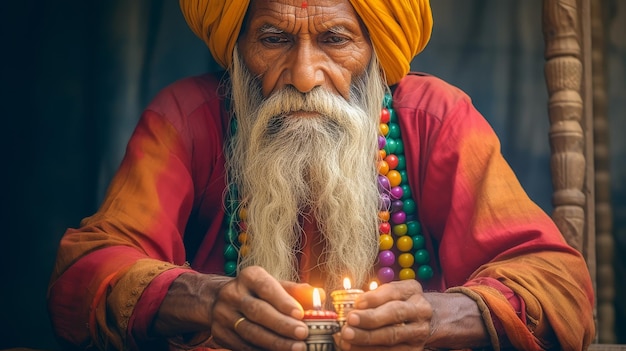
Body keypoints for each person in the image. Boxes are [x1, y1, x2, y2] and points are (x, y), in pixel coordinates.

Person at [47, 0, 595, 350]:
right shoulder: (187, 118)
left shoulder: (435, 116)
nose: (305, 75)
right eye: (273, 39)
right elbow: (85, 274)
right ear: (238, 51)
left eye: (335, 39)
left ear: (375, 50)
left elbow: (557, 283)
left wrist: (437, 316)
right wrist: (206, 301)